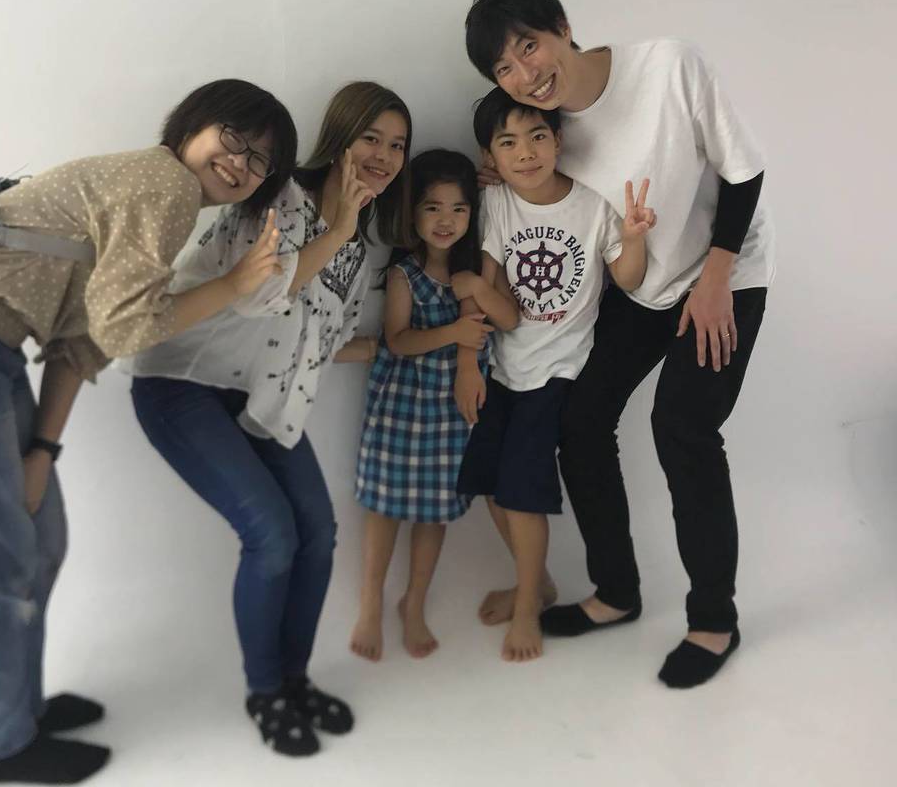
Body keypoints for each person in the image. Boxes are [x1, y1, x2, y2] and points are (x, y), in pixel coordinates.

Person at [0, 78, 296, 784]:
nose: (239, 162)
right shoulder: (164, 186)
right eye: (233, 137)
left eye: (260, 159)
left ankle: (12, 710)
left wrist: (42, 453)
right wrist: (233, 287)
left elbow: (83, 344)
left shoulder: (155, 199)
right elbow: (127, 329)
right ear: (191, 126)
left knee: (36, 535)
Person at [464, 0, 773, 687]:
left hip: (728, 270)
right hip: (644, 284)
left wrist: (717, 277)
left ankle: (713, 620)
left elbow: (745, 172)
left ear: (562, 25)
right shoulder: (550, 132)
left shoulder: (669, 65)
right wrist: (499, 172)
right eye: (505, 68)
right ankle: (616, 592)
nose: (525, 74)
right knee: (579, 419)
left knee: (682, 427)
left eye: (529, 48)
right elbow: (538, 182)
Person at [128, 81, 412, 757]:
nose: (383, 155)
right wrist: (337, 230)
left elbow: (329, 340)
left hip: (259, 400)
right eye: (370, 138)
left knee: (319, 534)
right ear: (339, 140)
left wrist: (421, 347)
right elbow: (260, 294)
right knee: (271, 535)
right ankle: (265, 693)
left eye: (398, 145)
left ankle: (294, 680)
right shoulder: (278, 196)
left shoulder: (359, 245)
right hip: (182, 383)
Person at [455, 86, 653, 662]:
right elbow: (485, 289)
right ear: (490, 155)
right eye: (508, 142)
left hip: (558, 372)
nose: (526, 152)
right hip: (503, 368)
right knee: (492, 487)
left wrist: (634, 239)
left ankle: (526, 607)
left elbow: (630, 279)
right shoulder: (495, 203)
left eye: (537, 136)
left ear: (559, 140)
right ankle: (536, 583)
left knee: (522, 496)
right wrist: (467, 362)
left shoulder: (592, 204)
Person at [349, 148, 509, 662]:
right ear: (413, 212)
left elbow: (506, 320)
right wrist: (453, 332)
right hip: (400, 406)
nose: (446, 220)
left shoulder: (475, 272)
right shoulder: (405, 273)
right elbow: (398, 340)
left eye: (458, 209)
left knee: (433, 511)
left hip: (450, 413)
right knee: (384, 507)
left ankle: (413, 602)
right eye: (433, 207)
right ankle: (370, 602)